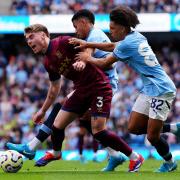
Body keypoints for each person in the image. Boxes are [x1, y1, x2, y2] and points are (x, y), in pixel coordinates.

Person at [7, 24, 144, 172]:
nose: (29, 41)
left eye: (31, 37)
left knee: (98, 130)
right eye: (27, 39)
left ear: (43, 34)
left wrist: (84, 60)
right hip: (81, 90)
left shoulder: (63, 41)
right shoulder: (47, 63)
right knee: (57, 125)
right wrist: (42, 111)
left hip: (98, 86)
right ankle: (56, 153)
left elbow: (87, 47)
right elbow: (54, 88)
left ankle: (135, 157)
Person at [70, 6, 178, 173]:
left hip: (162, 90)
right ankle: (173, 128)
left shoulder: (127, 44)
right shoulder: (135, 36)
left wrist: (87, 57)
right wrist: (88, 43)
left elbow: (105, 62)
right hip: (149, 88)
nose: (110, 31)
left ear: (123, 27)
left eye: (113, 28)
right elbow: (113, 45)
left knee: (152, 136)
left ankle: (170, 163)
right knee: (133, 128)